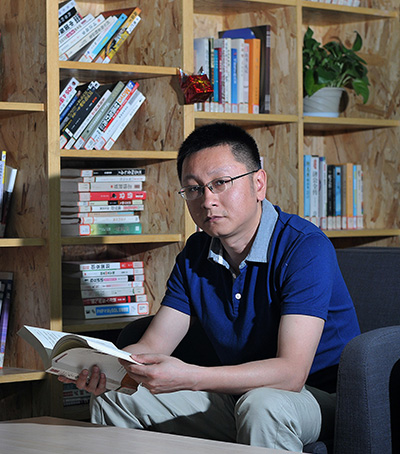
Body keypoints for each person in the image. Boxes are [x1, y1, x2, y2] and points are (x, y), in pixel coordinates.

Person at [60, 123, 360, 452]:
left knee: (263, 405)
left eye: (220, 183)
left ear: (258, 183)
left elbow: (291, 373)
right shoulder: (195, 253)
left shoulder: (304, 247)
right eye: (194, 189)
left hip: (317, 398)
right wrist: (104, 369)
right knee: (117, 397)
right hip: (235, 394)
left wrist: (192, 376)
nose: (207, 200)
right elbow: (153, 345)